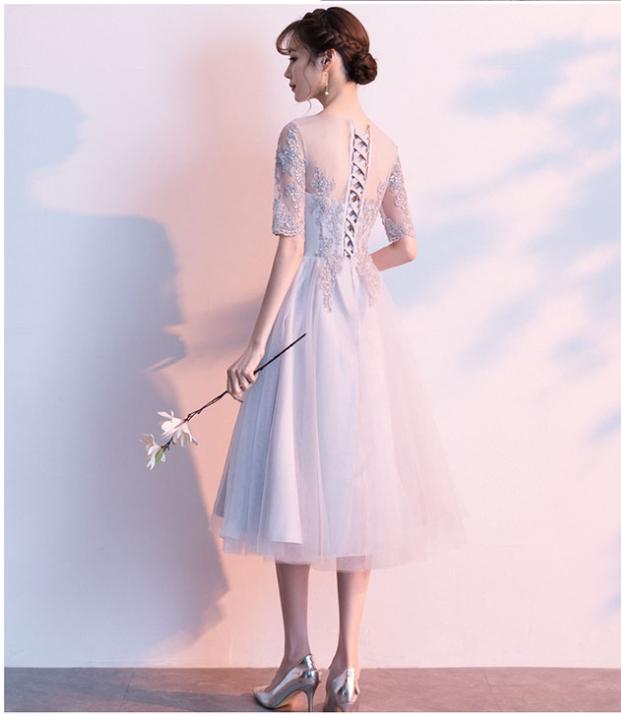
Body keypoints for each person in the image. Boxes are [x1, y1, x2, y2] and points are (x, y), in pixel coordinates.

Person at [209, 6, 467, 712]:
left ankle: (297, 660)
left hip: (306, 321)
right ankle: (350, 665)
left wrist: (255, 344)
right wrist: (355, 269)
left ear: (328, 59)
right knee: (360, 480)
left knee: (291, 473)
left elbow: (292, 245)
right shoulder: (387, 144)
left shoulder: (297, 137)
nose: (287, 74)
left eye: (293, 58)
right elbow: (407, 244)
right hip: (364, 326)